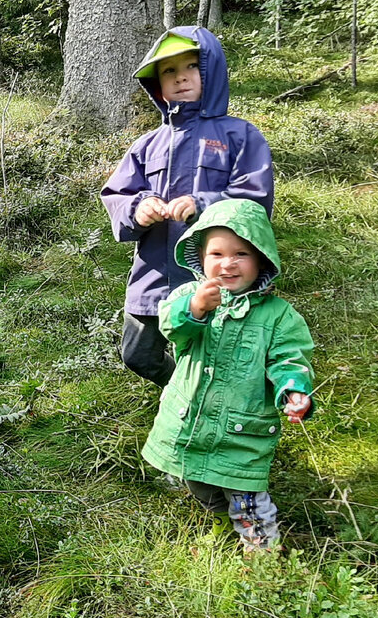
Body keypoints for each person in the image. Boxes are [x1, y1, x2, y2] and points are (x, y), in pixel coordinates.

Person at [101, 26, 273, 388]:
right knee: (138, 354)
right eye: (168, 71)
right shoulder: (147, 144)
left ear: (211, 71)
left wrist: (203, 205)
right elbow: (117, 193)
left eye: (192, 66)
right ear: (157, 85)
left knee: (212, 349)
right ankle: (184, 388)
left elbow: (254, 202)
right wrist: (138, 207)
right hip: (153, 277)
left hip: (215, 276)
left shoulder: (239, 136)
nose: (180, 77)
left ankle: (208, 405)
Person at [140, 198, 313, 552]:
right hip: (190, 419)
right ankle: (219, 518)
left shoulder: (278, 315)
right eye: (216, 254)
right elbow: (173, 329)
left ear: (262, 259)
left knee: (245, 495)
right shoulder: (189, 295)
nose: (228, 264)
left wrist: (293, 389)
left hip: (241, 427)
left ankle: (261, 553)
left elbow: (289, 357)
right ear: (200, 258)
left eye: (241, 254)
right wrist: (195, 309)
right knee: (197, 480)